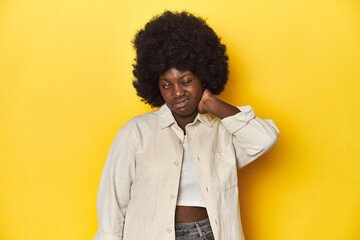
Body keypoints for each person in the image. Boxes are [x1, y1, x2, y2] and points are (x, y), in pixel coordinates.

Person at [94, 10, 279, 240]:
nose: (178, 92)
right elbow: (112, 205)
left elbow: (264, 139)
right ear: (156, 86)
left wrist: (212, 103)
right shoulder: (136, 132)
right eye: (167, 85)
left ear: (203, 76)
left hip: (212, 233)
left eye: (186, 81)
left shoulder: (223, 131)